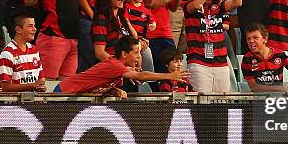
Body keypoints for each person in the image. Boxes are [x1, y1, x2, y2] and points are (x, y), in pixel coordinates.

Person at [55, 35, 189, 95]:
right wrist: (169, 76)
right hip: (64, 91)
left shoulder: (120, 70)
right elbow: (140, 75)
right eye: (136, 52)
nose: (138, 56)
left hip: (74, 95)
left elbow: (103, 85)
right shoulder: (115, 64)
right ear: (125, 54)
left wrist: (115, 90)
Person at [183, 0, 243, 93]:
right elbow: (197, 3)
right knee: (202, 106)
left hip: (221, 63)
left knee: (221, 105)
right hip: (199, 64)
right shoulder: (190, 6)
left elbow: (237, 2)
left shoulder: (219, 4)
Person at [241, 22, 288, 93]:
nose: (251, 41)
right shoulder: (247, 59)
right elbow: (254, 87)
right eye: (248, 39)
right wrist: (280, 88)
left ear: (265, 39)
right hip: (259, 100)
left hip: (278, 100)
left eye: (255, 37)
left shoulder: (279, 54)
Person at [0, 11, 46, 92]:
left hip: (33, 102)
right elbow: (5, 87)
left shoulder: (34, 50)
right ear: (18, 29)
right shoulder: (7, 54)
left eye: (34, 26)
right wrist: (30, 86)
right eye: (30, 26)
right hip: (14, 103)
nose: (35, 29)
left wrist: (40, 86)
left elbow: (41, 79)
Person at [125, 0, 156, 72]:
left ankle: (148, 79)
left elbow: (152, 21)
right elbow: (126, 22)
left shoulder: (146, 10)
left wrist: (153, 25)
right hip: (130, 41)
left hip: (143, 42)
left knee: (147, 55)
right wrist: (136, 38)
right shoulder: (126, 7)